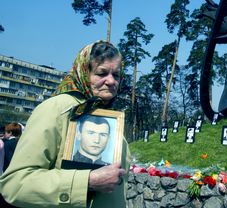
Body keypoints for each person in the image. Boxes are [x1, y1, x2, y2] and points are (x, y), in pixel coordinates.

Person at [0, 41, 130, 208]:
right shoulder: (55, 109)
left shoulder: (111, 118)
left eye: (116, 75)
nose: (111, 81)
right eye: (101, 73)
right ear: (83, 72)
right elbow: (15, 185)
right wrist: (87, 182)